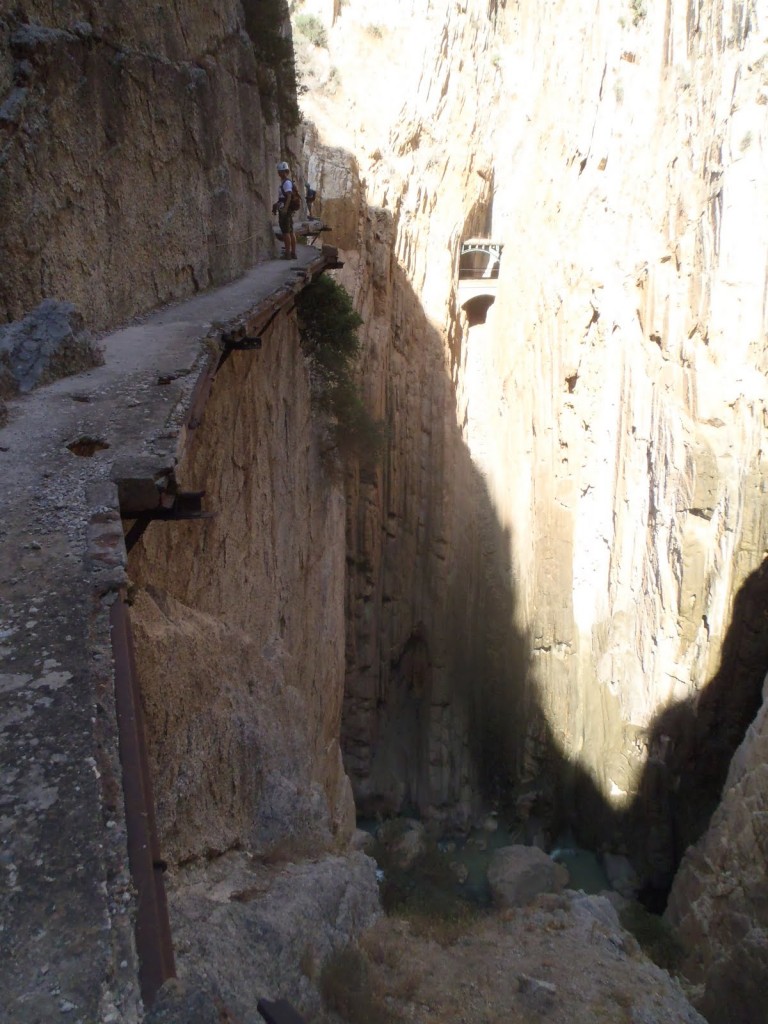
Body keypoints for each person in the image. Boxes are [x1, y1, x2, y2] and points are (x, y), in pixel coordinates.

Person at [272, 161, 297, 260]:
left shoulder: (286, 183)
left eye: (280, 171)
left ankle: (287, 254)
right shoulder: (286, 182)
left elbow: (289, 196)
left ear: (284, 172)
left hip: (285, 211)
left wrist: (285, 209)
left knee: (286, 232)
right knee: (290, 231)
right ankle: (293, 253)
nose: (279, 173)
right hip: (286, 209)